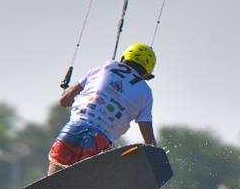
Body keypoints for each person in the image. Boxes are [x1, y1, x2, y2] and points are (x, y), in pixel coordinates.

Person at [47, 43, 157, 176]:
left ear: (124, 58)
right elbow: (148, 138)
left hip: (71, 132)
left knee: (52, 182)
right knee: (85, 186)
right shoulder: (145, 92)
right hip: (98, 141)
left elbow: (64, 101)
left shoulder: (101, 69)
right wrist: (155, 158)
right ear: (147, 73)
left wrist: (68, 91)